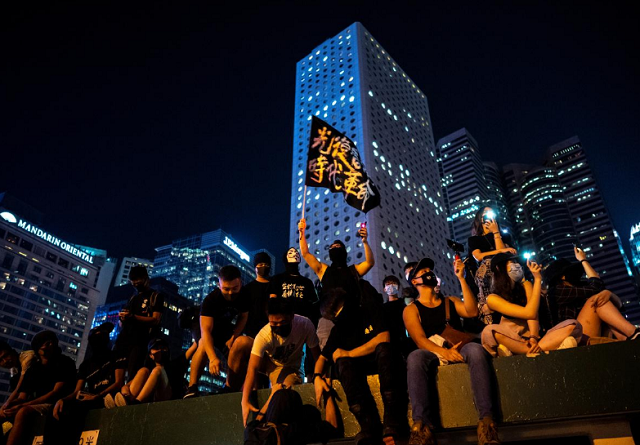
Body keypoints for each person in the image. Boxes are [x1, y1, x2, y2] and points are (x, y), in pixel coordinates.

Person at [403, 258, 500, 445]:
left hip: (459, 347)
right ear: (414, 281)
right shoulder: (411, 309)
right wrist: (443, 352)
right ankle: (421, 427)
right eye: (423, 271)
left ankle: (487, 423)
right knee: (415, 357)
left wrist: (461, 279)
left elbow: (472, 312)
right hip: (431, 351)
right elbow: (419, 339)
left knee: (476, 350)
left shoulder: (450, 301)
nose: (428, 273)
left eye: (429, 270)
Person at [314, 288, 409, 445]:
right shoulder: (338, 330)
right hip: (359, 372)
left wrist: (349, 353)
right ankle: (368, 427)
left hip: (386, 365)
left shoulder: (370, 309)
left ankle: (392, 424)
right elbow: (322, 358)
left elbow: (383, 338)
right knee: (342, 364)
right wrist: (317, 377)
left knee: (383, 350)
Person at [481, 253, 582, 356]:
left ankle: (533, 351)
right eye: (512, 262)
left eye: (517, 262)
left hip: (534, 341)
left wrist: (533, 337)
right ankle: (547, 349)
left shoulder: (526, 285)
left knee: (573, 325)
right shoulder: (492, 298)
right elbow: (530, 313)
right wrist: (538, 280)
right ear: (498, 268)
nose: (517, 266)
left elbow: (533, 316)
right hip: (512, 339)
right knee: (489, 331)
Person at [241, 298, 321, 426]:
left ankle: (260, 422)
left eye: (282, 323)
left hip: (291, 367)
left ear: (291, 316)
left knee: (284, 388)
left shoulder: (304, 325)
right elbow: (252, 368)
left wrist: (319, 378)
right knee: (241, 343)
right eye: (274, 324)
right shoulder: (264, 335)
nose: (278, 327)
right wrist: (244, 400)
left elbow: (318, 357)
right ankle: (229, 387)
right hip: (270, 364)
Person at [298, 218, 374, 347]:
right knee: (327, 355)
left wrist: (365, 242)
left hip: (352, 318)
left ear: (344, 251)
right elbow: (305, 253)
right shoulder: (323, 270)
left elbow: (369, 263)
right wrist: (301, 231)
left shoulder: (353, 270)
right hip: (328, 319)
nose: (335, 248)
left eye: (338, 246)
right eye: (332, 247)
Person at [545, 247, 640, 341]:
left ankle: (629, 337)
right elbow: (597, 286)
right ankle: (633, 333)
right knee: (596, 301)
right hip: (573, 338)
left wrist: (609, 294)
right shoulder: (558, 291)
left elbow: (619, 305)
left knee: (601, 299)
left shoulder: (580, 287)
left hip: (589, 332)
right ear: (563, 277)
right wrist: (583, 260)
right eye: (570, 271)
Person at [185, 265, 252, 397]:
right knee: (204, 344)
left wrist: (233, 337)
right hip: (204, 326)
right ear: (219, 285)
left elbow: (243, 317)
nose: (231, 293)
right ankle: (191, 387)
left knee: (236, 347)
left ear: (240, 283)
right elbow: (206, 332)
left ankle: (229, 387)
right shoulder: (211, 300)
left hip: (224, 326)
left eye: (235, 288)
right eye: (226, 289)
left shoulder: (244, 295)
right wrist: (213, 358)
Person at [49, 323, 122, 443]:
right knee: (57, 409)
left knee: (76, 411)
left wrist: (98, 396)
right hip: (89, 399)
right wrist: (63, 400)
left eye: (104, 336)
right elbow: (77, 390)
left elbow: (118, 383)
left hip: (107, 398)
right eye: (98, 337)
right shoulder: (85, 365)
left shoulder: (116, 356)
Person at [2, 331, 76, 445]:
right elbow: (22, 396)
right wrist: (9, 407)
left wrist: (23, 405)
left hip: (54, 404)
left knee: (23, 412)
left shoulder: (64, 362)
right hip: (34, 404)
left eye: (51, 342)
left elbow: (55, 392)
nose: (49, 346)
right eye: (45, 343)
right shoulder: (33, 369)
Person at [113, 266, 164, 383]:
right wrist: (123, 318)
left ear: (145, 278)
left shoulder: (155, 296)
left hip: (141, 341)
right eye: (133, 282)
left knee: (134, 372)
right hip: (124, 340)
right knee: (117, 376)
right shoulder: (132, 297)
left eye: (138, 281)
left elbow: (155, 319)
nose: (135, 284)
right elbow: (121, 324)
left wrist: (133, 317)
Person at [468, 207, 517, 325]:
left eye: (490, 213)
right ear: (479, 219)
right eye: (485, 213)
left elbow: (503, 255)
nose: (488, 215)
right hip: (488, 277)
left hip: (505, 272)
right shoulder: (474, 239)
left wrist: (496, 232)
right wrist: (499, 252)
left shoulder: (505, 237)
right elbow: (478, 256)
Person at [244, 386, 342, 445]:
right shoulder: (291, 433)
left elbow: (258, 419)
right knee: (311, 412)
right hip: (295, 429)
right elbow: (332, 426)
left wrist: (273, 396)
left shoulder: (250, 432)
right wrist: (327, 392)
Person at [108, 337, 175, 406]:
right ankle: (127, 401)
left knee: (158, 369)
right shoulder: (149, 371)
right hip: (149, 400)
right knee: (143, 370)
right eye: (157, 348)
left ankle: (136, 403)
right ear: (150, 355)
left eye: (163, 348)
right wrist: (126, 392)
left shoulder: (174, 364)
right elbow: (126, 386)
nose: (160, 350)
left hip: (167, 400)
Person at [268, 248, 319, 325]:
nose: (294, 253)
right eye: (291, 253)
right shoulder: (277, 279)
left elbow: (313, 304)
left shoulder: (307, 282)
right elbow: (272, 301)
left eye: (296, 252)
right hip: (282, 322)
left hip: (302, 324)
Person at [0, 342, 37, 421]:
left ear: (13, 351)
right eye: (0, 361)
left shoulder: (27, 359)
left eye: (6, 356)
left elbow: (21, 393)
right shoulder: (14, 372)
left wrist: (6, 405)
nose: (5, 361)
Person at [382, 275, 414, 359]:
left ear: (398, 287)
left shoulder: (405, 304)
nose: (391, 286)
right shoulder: (382, 308)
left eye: (394, 283)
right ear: (384, 289)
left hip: (406, 340)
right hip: (391, 342)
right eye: (388, 284)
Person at [244, 252, 273, 339]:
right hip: (252, 333)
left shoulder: (275, 286)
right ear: (255, 267)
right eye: (260, 264)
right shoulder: (247, 289)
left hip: (272, 332)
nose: (263, 266)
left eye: (266, 264)